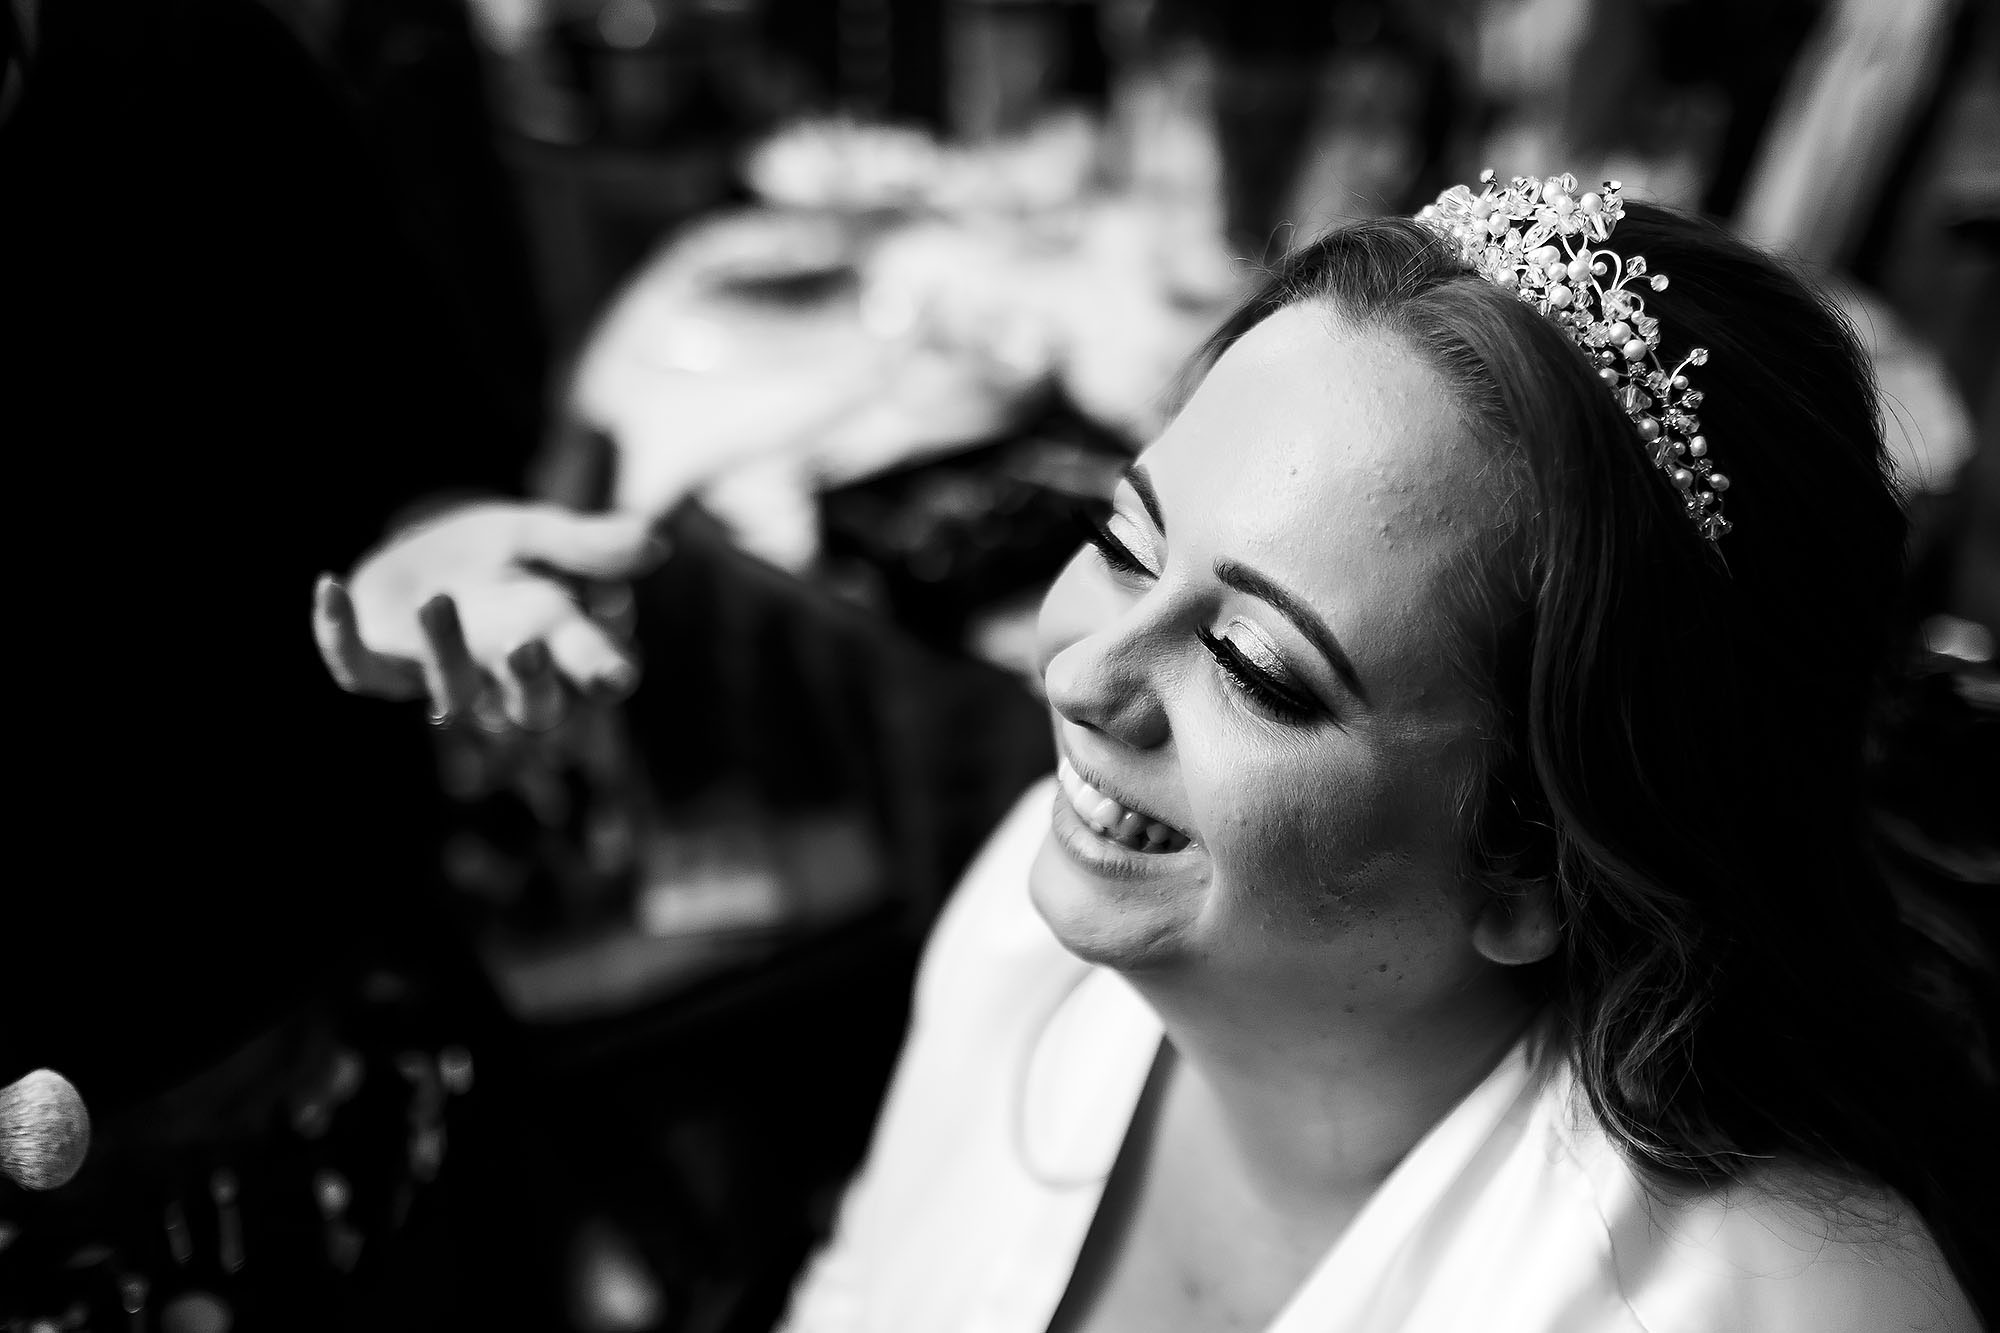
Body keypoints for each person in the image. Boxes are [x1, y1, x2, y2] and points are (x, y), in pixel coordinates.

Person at [324, 174, 1996, 1331]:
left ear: (1537, 862)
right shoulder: (1029, 936)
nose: (1083, 673)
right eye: (1126, 541)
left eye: (1258, 662)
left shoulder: (1774, 1306)